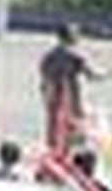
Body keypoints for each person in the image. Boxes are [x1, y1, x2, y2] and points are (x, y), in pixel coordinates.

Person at [38, 22, 95, 151]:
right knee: (76, 131)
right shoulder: (75, 56)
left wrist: (46, 96)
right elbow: (91, 74)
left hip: (54, 98)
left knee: (54, 131)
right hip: (71, 98)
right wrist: (109, 74)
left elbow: (44, 78)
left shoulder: (49, 56)